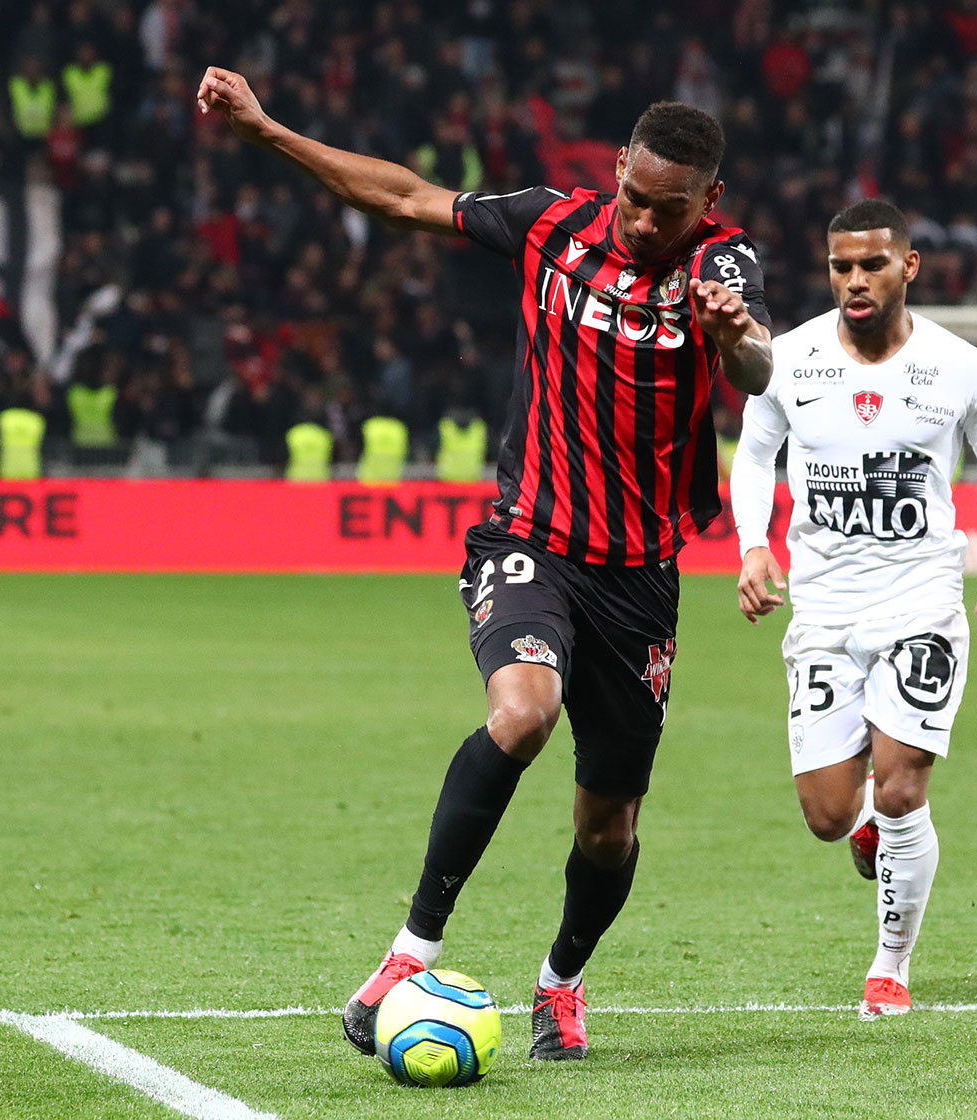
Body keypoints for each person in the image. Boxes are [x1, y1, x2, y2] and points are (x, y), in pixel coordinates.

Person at [195, 68, 773, 1061]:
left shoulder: (725, 264)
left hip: (639, 577)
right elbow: (405, 196)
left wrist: (735, 339)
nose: (644, 221)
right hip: (530, 539)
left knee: (609, 826)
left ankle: (562, 982)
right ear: (618, 169)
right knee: (523, 713)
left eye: (668, 208)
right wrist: (268, 131)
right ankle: (411, 951)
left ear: (707, 200)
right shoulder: (553, 222)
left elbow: (758, 366)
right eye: (635, 196)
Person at [730, 200, 977, 1018]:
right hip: (824, 609)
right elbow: (754, 457)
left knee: (902, 790)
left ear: (909, 266)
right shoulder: (788, 360)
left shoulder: (962, 368)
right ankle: (861, 816)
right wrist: (753, 545)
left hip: (920, 602)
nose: (855, 280)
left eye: (872, 265)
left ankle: (890, 965)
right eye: (841, 267)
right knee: (829, 816)